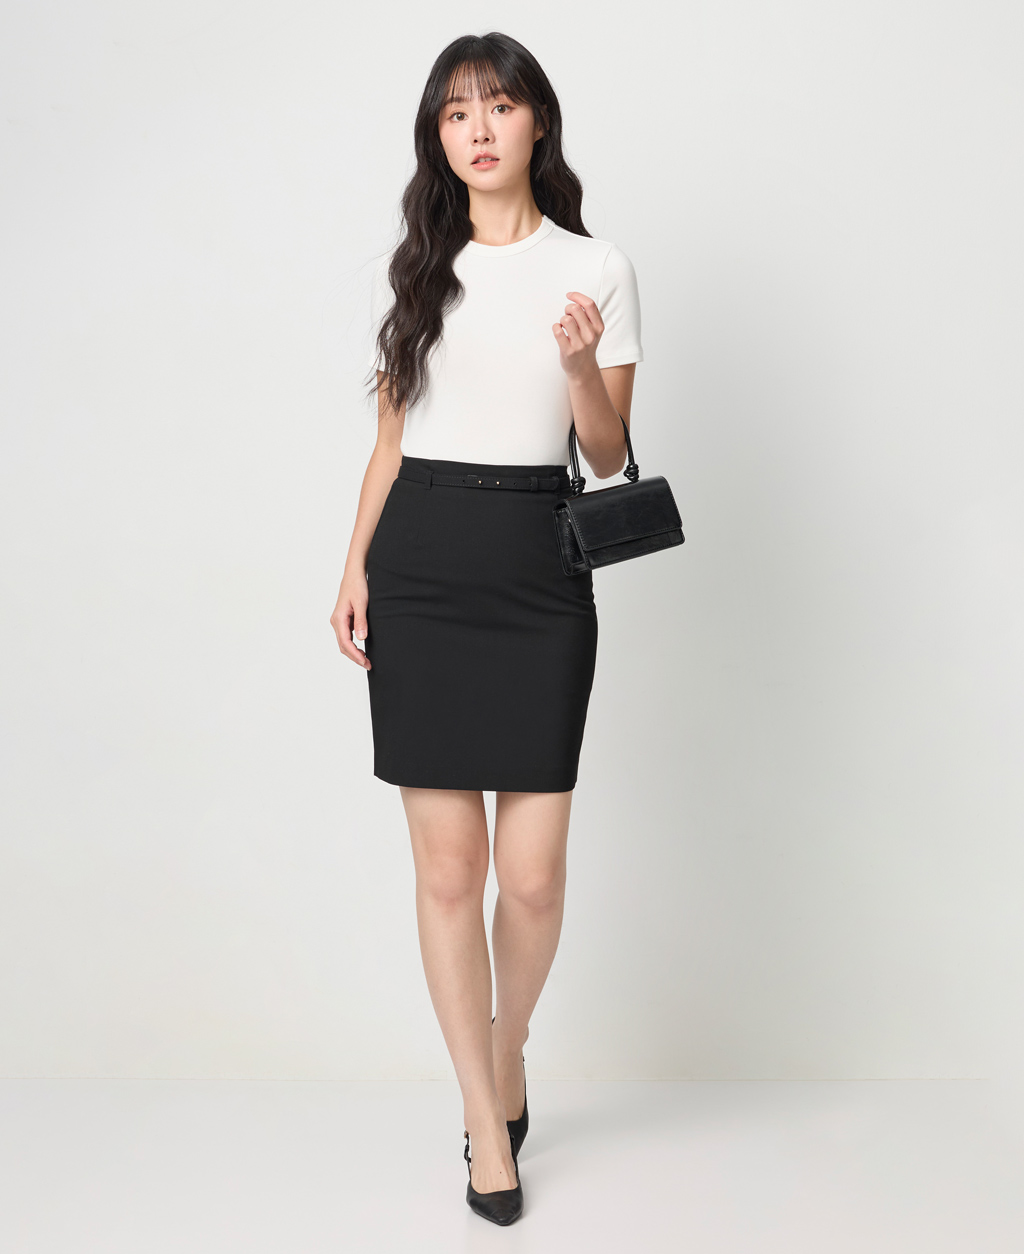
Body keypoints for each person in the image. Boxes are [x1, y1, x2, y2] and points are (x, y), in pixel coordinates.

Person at [330, 31, 643, 1226]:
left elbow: (605, 454)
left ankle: (508, 1050)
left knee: (535, 876)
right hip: (419, 565)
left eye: (498, 107)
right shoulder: (415, 270)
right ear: (438, 136)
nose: (477, 129)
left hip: (536, 569)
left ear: (536, 124)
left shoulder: (595, 266)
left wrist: (580, 366)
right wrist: (352, 569)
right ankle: (482, 1115)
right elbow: (389, 443)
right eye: (456, 112)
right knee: (449, 870)